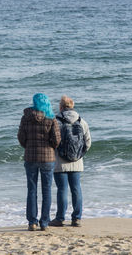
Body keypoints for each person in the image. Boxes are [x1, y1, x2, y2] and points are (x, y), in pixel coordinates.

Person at [17, 93, 61, 231]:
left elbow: (21, 137)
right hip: (47, 158)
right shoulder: (51, 118)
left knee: (32, 190)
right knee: (47, 190)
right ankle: (44, 223)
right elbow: (56, 140)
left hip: (30, 157)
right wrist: (51, 148)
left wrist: (28, 147)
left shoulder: (26, 117)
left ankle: (32, 222)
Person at [49, 95, 91, 227]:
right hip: (77, 161)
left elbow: (52, 141)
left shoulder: (55, 121)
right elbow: (88, 142)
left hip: (60, 162)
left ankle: (60, 218)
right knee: (76, 189)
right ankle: (76, 218)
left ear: (61, 107)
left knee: (62, 189)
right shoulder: (82, 121)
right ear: (72, 106)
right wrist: (79, 154)